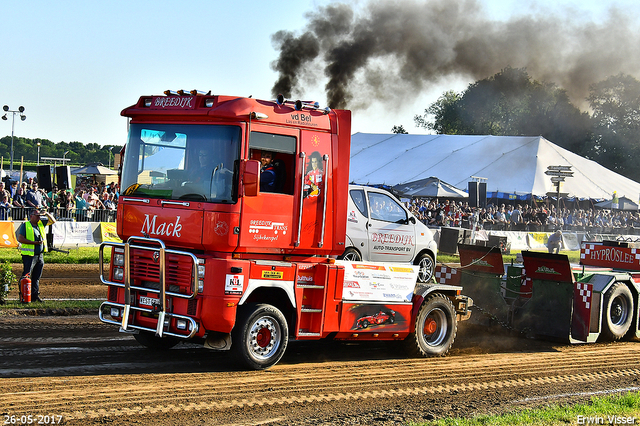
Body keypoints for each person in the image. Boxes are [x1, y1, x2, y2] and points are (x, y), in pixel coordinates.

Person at [17, 208, 57, 302]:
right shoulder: (26, 225)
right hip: (29, 256)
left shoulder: (40, 223)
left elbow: (53, 221)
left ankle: (34, 296)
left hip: (39, 255)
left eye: (39, 215)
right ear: (31, 216)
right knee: (26, 276)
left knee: (36, 277)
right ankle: (23, 296)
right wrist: (34, 243)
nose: (39, 217)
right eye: (37, 215)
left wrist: (46, 213)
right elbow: (20, 239)